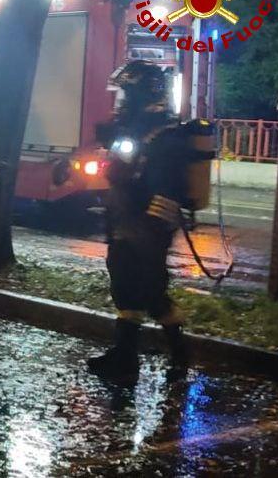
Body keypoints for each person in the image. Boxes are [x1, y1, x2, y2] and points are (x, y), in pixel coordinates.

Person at [87, 60, 190, 383]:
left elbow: (168, 187)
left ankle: (180, 357)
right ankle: (125, 357)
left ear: (142, 94)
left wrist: (149, 229)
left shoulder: (164, 136)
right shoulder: (137, 131)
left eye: (126, 94)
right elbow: (119, 172)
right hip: (124, 220)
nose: (121, 101)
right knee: (125, 289)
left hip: (147, 226)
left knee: (153, 293)